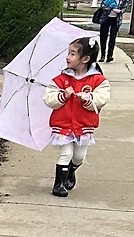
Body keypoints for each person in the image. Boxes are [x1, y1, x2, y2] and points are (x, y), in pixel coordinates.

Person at [44, 35, 109, 196]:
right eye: (68, 53)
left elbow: (102, 98)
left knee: (79, 156)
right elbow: (49, 98)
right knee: (66, 153)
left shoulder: (98, 80)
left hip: (84, 124)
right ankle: (58, 184)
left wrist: (88, 98)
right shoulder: (61, 79)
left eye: (72, 54)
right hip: (63, 124)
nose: (68, 57)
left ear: (85, 59)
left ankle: (71, 171)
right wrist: (62, 96)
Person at [95, 0, 129, 64]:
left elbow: (124, 8)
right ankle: (102, 55)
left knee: (112, 38)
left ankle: (110, 55)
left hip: (116, 20)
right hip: (106, 18)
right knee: (103, 37)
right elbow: (103, 4)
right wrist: (109, 8)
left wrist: (119, 11)